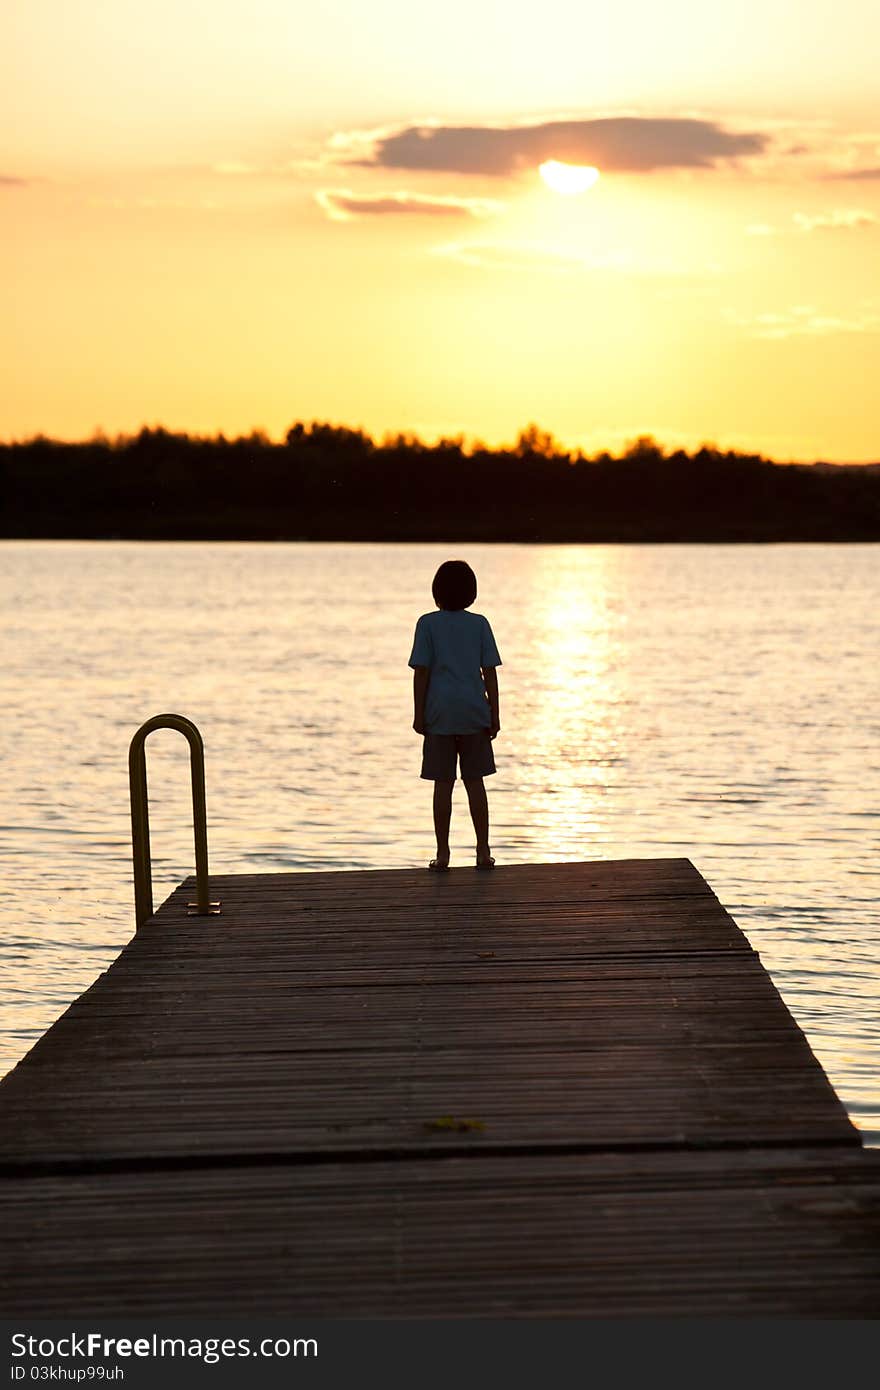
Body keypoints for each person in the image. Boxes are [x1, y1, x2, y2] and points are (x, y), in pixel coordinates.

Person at [408, 559, 501, 872]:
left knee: (442, 785)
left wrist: (418, 713)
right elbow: (489, 673)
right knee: (475, 783)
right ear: (471, 592)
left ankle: (443, 853)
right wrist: (495, 714)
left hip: (439, 713)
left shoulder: (427, 624)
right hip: (474, 711)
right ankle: (483, 851)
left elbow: (421, 672)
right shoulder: (479, 624)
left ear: (437, 592)